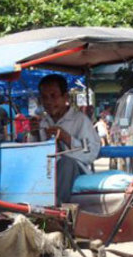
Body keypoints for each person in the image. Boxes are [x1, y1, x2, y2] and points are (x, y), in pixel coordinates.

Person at [31, 74, 100, 205]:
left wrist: (66, 138)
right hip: (48, 170)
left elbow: (91, 153)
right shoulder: (44, 122)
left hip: (75, 169)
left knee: (66, 162)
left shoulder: (80, 120)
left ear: (65, 97)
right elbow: (36, 155)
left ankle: (56, 207)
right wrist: (34, 134)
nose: (49, 102)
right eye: (44, 98)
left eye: (53, 96)